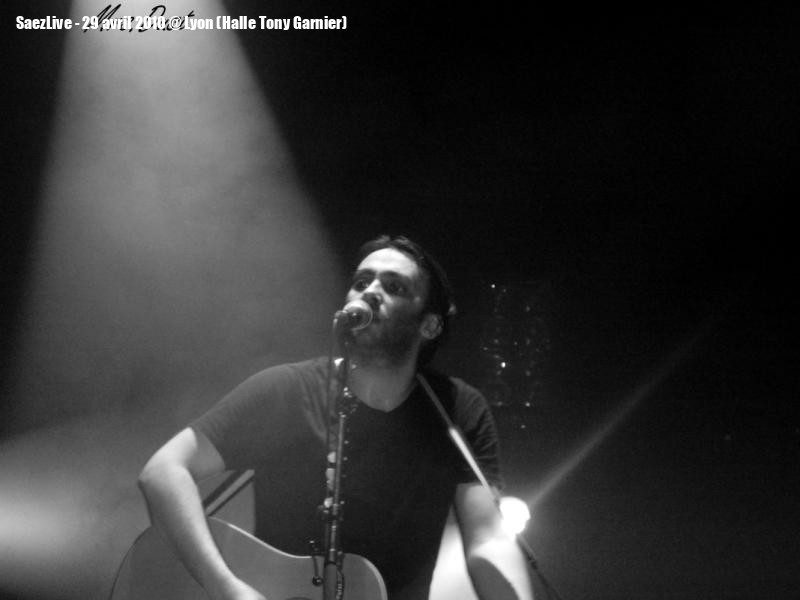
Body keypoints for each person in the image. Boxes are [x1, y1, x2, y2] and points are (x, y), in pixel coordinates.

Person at [138, 235, 534, 600]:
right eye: (362, 282)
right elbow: (163, 471)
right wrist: (227, 588)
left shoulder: (457, 409)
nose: (371, 291)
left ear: (429, 324)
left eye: (394, 286)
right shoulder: (286, 391)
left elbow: (488, 539)